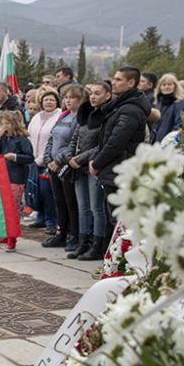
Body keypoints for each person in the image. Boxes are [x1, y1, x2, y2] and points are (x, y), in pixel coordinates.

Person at [90, 67, 151, 228]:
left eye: (118, 80)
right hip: (114, 169)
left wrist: (97, 164)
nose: (113, 83)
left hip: (120, 170)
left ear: (131, 83)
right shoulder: (121, 106)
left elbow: (116, 142)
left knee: (121, 222)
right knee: (116, 220)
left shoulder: (130, 110)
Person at [66, 80, 111, 261]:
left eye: (97, 93)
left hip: (93, 165)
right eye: (91, 93)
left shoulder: (107, 115)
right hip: (78, 166)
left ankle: (97, 245)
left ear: (107, 95)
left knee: (96, 208)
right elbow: (74, 138)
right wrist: (70, 157)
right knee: (82, 207)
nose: (93, 96)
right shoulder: (85, 114)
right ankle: (83, 243)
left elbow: (102, 144)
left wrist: (80, 159)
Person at [43, 84, 85, 251]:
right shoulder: (63, 117)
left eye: (72, 97)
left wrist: (58, 161)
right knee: (59, 202)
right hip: (53, 165)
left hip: (66, 166)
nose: (68, 100)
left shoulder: (79, 119)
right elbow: (51, 139)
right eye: (66, 97)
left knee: (70, 203)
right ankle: (61, 233)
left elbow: (73, 145)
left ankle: (73, 235)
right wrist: (48, 159)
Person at [0, 111, 34, 252]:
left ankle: (12, 239)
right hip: (3, 176)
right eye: (2, 123)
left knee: (12, 209)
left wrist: (15, 157)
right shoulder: (3, 139)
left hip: (16, 177)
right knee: (3, 208)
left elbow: (29, 157)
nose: (4, 126)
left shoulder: (21, 139)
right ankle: (5, 234)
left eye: (7, 123)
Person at [28, 87, 62, 231]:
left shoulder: (59, 116)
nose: (48, 102)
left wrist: (43, 158)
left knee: (47, 192)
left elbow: (53, 139)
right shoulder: (37, 116)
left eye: (52, 100)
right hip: (34, 160)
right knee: (36, 192)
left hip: (48, 160)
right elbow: (29, 135)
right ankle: (40, 217)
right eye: (46, 100)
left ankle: (51, 221)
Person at [153, 73, 184, 143]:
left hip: (170, 143)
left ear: (175, 86)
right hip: (157, 142)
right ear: (160, 87)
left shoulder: (180, 103)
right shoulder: (159, 103)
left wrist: (170, 140)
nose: (166, 87)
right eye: (164, 85)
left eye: (169, 84)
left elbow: (180, 124)